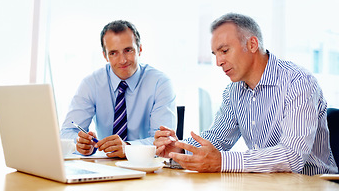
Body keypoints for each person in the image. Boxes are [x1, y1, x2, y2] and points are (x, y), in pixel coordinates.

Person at [154, 13, 338, 175]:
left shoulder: (298, 82)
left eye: (224, 51)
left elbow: (292, 156)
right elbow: (217, 139)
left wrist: (223, 161)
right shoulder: (233, 91)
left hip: (312, 185)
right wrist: (178, 150)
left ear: (252, 44)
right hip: (266, 184)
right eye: (215, 54)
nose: (218, 62)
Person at [61, 20, 176, 158]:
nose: (122, 60)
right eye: (113, 53)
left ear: (139, 49)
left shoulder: (160, 83)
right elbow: (67, 132)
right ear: (105, 56)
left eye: (128, 50)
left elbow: (164, 142)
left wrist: (128, 148)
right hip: (105, 166)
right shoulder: (91, 83)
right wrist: (80, 144)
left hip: (147, 167)